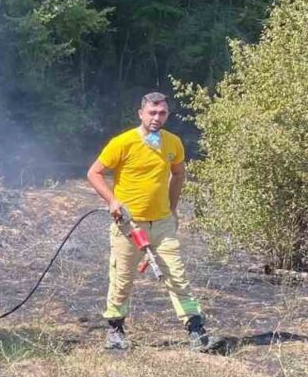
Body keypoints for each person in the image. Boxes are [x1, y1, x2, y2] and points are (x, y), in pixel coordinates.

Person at [86, 92, 218, 352]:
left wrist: (172, 208)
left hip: (163, 224)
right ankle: (115, 330)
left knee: (176, 275)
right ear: (141, 114)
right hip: (129, 224)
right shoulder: (122, 142)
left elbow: (178, 173)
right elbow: (94, 173)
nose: (157, 118)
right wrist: (113, 202)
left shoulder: (173, 143)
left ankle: (196, 331)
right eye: (152, 113)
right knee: (122, 278)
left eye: (162, 113)